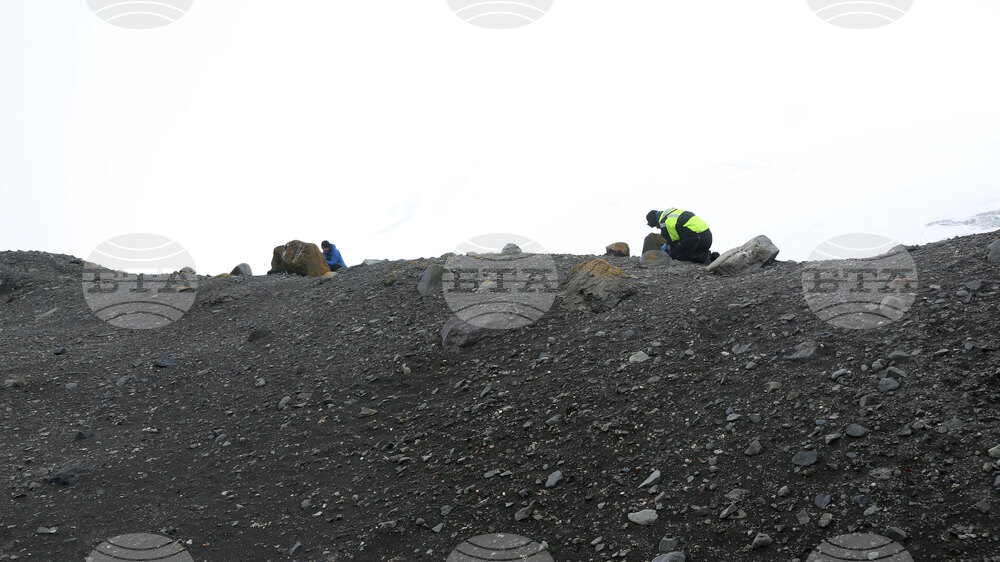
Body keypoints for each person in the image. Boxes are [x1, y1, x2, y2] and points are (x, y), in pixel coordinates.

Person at [646, 209, 719, 264]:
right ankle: (711, 256)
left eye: (655, 226)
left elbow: (672, 243)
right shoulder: (672, 212)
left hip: (699, 240)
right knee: (683, 245)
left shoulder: (664, 223)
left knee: (675, 255)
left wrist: (667, 249)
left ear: (655, 221)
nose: (657, 227)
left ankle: (704, 257)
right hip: (707, 237)